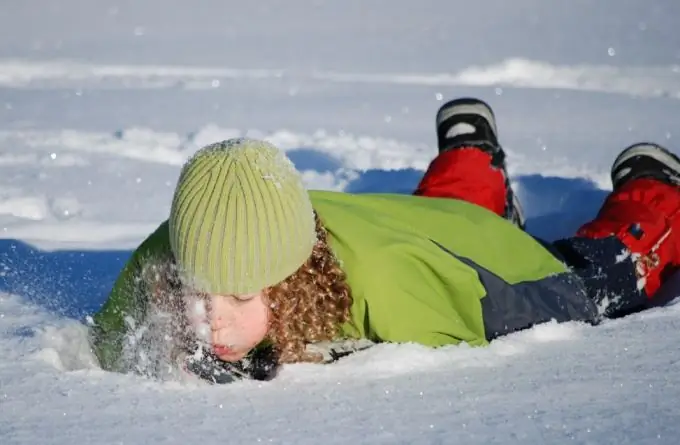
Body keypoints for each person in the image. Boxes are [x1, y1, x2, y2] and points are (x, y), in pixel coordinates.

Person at [89, 97, 680, 384]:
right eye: (200, 296)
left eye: (239, 298)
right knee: (439, 215)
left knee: (590, 282)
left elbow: (473, 356)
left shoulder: (394, 289)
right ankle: (469, 161)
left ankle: (653, 199)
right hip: (402, 221)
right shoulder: (184, 241)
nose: (210, 322)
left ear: (286, 281)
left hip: (469, 272)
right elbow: (112, 333)